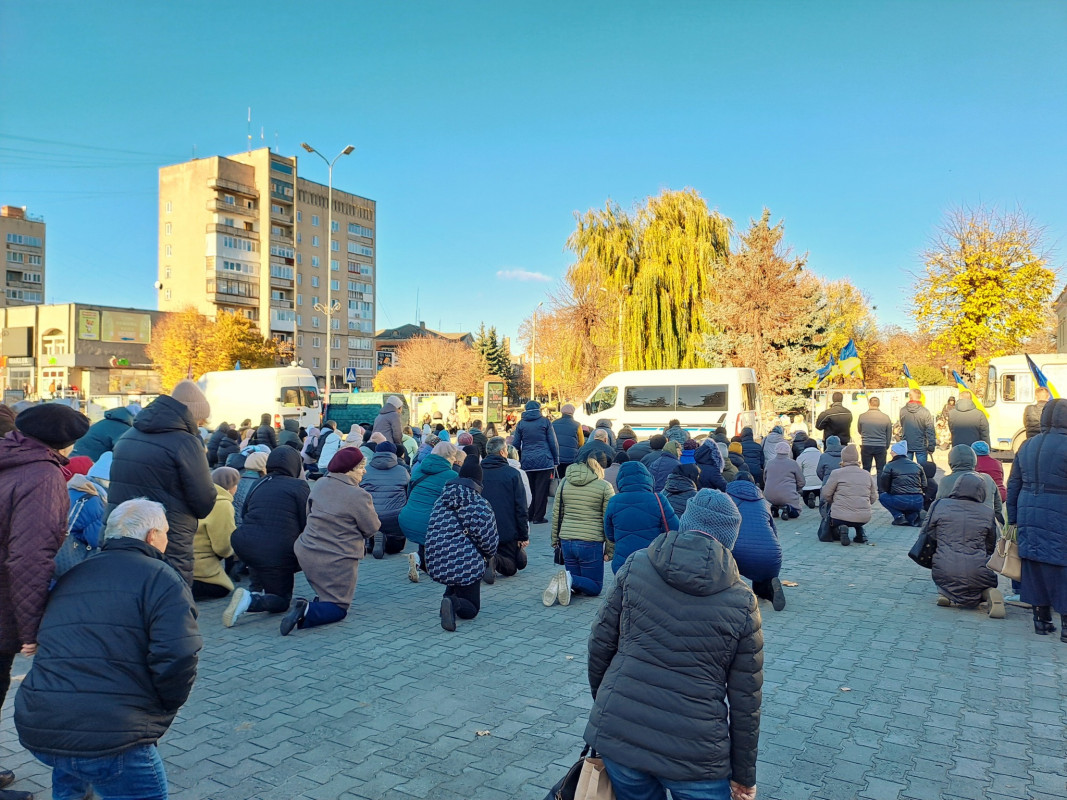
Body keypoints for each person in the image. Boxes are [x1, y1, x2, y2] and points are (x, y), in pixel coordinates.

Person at [14, 499, 201, 800]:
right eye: (167, 533)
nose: (168, 539)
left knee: (73, 774)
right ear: (153, 536)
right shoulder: (162, 578)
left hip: (42, 725)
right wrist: (165, 705)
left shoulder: (75, 573)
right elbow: (178, 656)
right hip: (111, 738)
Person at [584, 490, 762, 800]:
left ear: (685, 523)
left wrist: (611, 707)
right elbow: (746, 699)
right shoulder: (742, 600)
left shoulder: (636, 564)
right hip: (698, 757)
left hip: (622, 738)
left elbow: (600, 645)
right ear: (729, 539)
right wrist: (744, 775)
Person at [0, 404, 90, 800]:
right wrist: (30, 627)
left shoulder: (8, 457)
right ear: (66, 442)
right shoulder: (43, 475)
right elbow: (30, 556)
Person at [107, 379, 217, 586]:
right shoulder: (185, 442)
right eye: (200, 421)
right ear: (192, 415)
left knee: (130, 592)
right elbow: (204, 501)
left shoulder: (128, 436)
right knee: (172, 596)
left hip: (123, 530)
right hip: (168, 533)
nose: (200, 426)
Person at [285, 447, 380, 635]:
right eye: (361, 467)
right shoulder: (358, 495)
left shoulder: (320, 483)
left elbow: (308, 513)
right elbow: (372, 528)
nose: (365, 471)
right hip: (337, 556)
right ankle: (306, 609)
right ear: (350, 469)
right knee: (339, 607)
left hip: (307, 548)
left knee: (326, 591)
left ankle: (316, 604)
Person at [223, 447, 310, 626]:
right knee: (281, 601)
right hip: (276, 551)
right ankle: (250, 601)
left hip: (244, 541)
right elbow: (306, 521)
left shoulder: (260, 482)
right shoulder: (299, 486)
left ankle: (255, 589)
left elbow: (246, 511)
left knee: (259, 557)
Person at [1007, 398, 1067, 638]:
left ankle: (1040, 622)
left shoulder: (1027, 445)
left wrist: (1013, 519)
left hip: (1028, 509)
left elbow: (1013, 484)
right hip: (1060, 510)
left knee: (1034, 564)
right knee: (1062, 566)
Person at [425, 456, 499, 631]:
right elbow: (488, 540)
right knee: (471, 609)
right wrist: (489, 556)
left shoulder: (441, 500)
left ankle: (448, 597)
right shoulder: (479, 504)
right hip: (466, 562)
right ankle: (452, 602)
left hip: (436, 559)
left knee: (455, 566)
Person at [921, 473, 1003, 616]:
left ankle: (946, 594)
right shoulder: (987, 512)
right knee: (979, 582)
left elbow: (926, 533)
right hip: (979, 571)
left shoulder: (939, 505)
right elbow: (990, 545)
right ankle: (987, 592)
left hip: (944, 568)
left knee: (947, 579)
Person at [548, 457, 615, 603]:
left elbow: (557, 512)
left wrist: (555, 539)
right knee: (595, 587)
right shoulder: (604, 486)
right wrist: (610, 550)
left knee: (577, 586)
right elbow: (609, 519)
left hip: (567, 540)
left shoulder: (565, 482)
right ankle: (567, 578)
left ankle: (568, 581)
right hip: (590, 542)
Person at [399, 441, 460, 582]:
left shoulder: (418, 470)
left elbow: (409, 493)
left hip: (407, 517)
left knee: (426, 527)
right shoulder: (451, 475)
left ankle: (420, 560)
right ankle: (424, 559)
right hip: (429, 523)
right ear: (448, 458)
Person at [603, 461, 678, 575]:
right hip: (652, 560)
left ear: (621, 480)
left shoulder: (614, 501)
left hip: (623, 562)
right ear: (648, 478)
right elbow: (674, 528)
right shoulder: (658, 499)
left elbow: (610, 535)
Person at [727, 473, 786, 610]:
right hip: (771, 555)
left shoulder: (727, 499)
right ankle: (770, 589)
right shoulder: (763, 502)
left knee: (727, 567)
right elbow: (774, 531)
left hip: (740, 554)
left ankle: (732, 592)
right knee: (760, 584)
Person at [480, 437, 529, 579]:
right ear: (502, 452)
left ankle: (486, 560)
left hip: (482, 529)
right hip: (506, 530)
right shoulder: (513, 473)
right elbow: (521, 507)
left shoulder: (478, 472)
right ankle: (494, 560)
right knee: (512, 567)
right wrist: (523, 535)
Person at [192, 466, 239, 601]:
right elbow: (223, 547)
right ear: (230, 486)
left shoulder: (200, 498)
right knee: (223, 588)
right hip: (201, 567)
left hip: (186, 559)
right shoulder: (223, 504)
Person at [511, 400, 559, 524]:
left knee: (530, 488)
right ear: (539, 409)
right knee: (542, 490)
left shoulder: (521, 424)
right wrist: (555, 459)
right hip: (544, 460)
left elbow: (515, 444)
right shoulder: (545, 422)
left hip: (527, 460)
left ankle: (529, 514)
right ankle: (539, 517)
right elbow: (553, 442)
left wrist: (518, 459)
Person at [361, 441, 410, 559]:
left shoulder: (365, 470)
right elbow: (408, 493)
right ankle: (385, 540)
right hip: (394, 518)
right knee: (396, 547)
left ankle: (371, 540)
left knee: (370, 545)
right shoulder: (402, 471)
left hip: (370, 516)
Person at [821, 444, 878, 546]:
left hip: (839, 516)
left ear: (843, 458)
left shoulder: (837, 473)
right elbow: (873, 497)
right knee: (857, 516)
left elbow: (826, 494)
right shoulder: (866, 474)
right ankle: (860, 533)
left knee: (831, 509)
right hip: (863, 517)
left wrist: (833, 502)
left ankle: (841, 528)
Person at [936, 444, 1003, 523]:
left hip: (955, 527)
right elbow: (998, 508)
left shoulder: (945, 481)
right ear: (974, 460)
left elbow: (938, 508)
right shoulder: (987, 479)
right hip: (985, 527)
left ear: (951, 461)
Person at [879, 441, 928, 526]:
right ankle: (913, 517)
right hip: (918, 500)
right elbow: (924, 485)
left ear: (896, 452)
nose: (890, 452)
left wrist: (891, 492)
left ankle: (899, 516)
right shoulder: (917, 466)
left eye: (892, 450)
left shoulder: (889, 466)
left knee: (882, 496)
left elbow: (884, 485)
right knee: (908, 505)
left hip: (900, 499)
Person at [70, 405, 135, 461]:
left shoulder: (106, 422)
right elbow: (123, 449)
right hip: (88, 459)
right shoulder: (122, 428)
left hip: (76, 455)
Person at [764, 441, 804, 519]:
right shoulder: (793, 463)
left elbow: (765, 478)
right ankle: (788, 509)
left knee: (775, 499)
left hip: (769, 496)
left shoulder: (769, 463)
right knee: (796, 512)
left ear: (776, 450)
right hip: (788, 495)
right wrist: (797, 489)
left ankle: (774, 508)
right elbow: (801, 481)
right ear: (788, 451)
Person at [857, 396, 893, 475]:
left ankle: (866, 486)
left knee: (866, 469)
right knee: (881, 470)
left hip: (866, 445)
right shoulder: (886, 417)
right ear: (879, 404)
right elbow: (889, 433)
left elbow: (860, 430)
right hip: (881, 445)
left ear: (869, 403)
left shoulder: (862, 416)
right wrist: (886, 446)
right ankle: (880, 487)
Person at [900, 389, 936, 464]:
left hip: (907, 443)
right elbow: (930, 429)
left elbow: (902, 425)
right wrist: (931, 446)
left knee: (907, 470)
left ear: (909, 396)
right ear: (919, 397)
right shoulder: (925, 411)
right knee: (923, 470)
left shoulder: (903, 411)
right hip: (921, 444)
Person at [233, 451, 268, 526]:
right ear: (264, 467)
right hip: (247, 527)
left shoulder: (235, 482)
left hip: (232, 526)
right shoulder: (261, 485)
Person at [551, 403, 585, 477]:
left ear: (562, 412)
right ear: (572, 413)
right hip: (571, 457)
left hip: (557, 457)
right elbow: (581, 443)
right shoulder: (577, 425)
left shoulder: (553, 423)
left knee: (558, 478)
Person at [795, 438, 823, 508]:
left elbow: (798, 472)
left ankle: (810, 497)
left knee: (806, 500)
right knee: (821, 495)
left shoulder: (801, 457)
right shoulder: (821, 455)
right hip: (820, 484)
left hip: (807, 486)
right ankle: (820, 501)